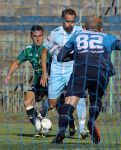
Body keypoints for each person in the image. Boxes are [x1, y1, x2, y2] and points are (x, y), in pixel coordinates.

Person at [53, 15, 121, 144]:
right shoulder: (107, 37)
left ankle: (61, 132)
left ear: (84, 28)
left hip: (81, 71)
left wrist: (77, 54)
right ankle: (91, 121)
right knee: (95, 99)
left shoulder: (77, 36)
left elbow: (60, 57)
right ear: (101, 29)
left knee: (70, 101)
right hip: (100, 72)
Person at [40, 8, 89, 139]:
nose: (70, 25)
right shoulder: (55, 33)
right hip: (57, 71)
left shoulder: (80, 31)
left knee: (80, 96)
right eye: (67, 22)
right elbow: (44, 52)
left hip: (74, 70)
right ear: (63, 20)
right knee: (52, 104)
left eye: (72, 22)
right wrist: (45, 72)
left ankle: (82, 129)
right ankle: (42, 111)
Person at [3, 25, 51, 138]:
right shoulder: (28, 50)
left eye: (40, 36)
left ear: (43, 35)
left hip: (52, 81)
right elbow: (16, 63)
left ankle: (72, 126)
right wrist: (9, 75)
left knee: (56, 105)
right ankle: (39, 128)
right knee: (27, 102)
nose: (38, 39)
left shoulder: (48, 48)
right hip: (38, 82)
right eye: (35, 36)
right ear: (31, 36)